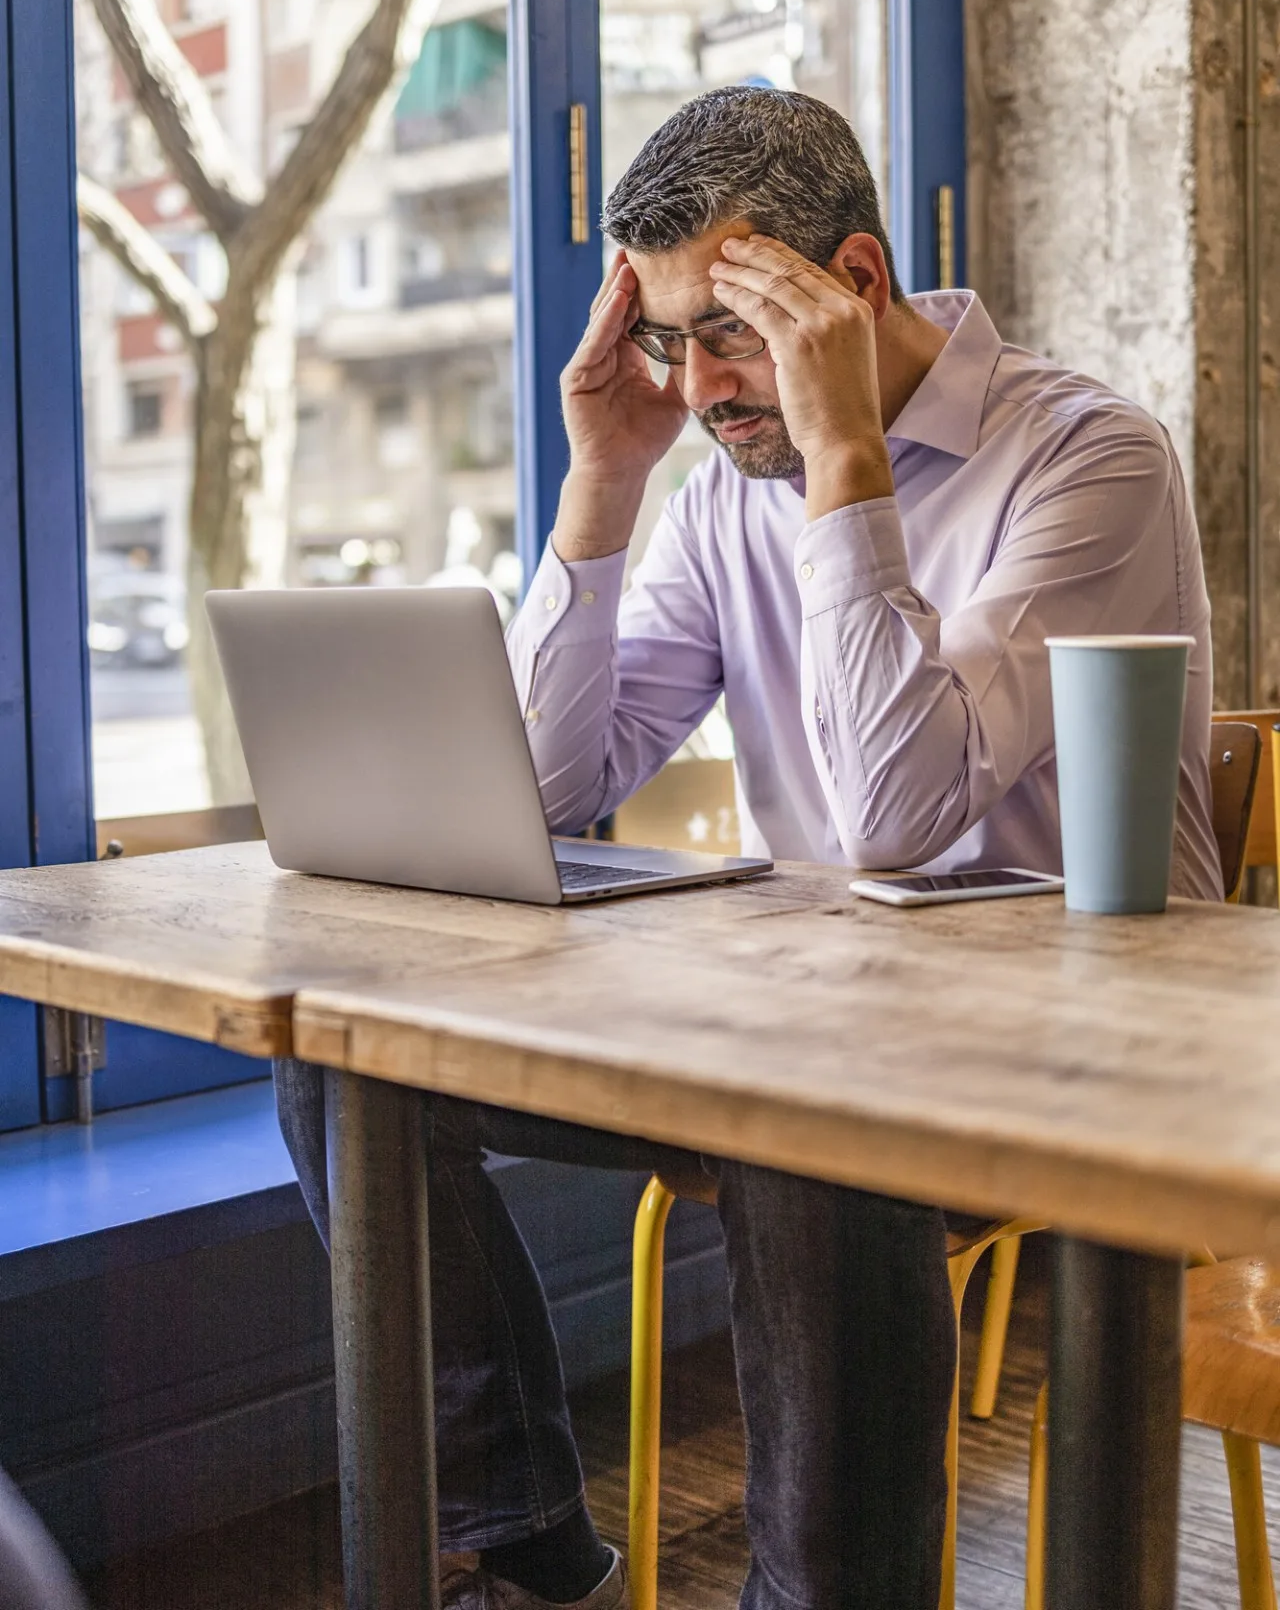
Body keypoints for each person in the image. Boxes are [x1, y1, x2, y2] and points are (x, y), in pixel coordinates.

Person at [275, 87, 1220, 1610]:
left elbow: (899, 815)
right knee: (348, 1064)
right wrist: (600, 490)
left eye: (729, 332)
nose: (701, 388)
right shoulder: (722, 492)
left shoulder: (1088, 456)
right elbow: (553, 787)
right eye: (666, 341)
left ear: (848, 284)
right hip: (833, 1022)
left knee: (806, 1120)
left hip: (1081, 1039)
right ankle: (517, 1553)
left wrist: (848, 455)